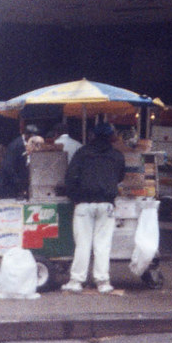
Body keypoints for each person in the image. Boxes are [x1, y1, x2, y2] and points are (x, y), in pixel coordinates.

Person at [61, 122, 125, 294]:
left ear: (93, 136)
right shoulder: (117, 155)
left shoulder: (82, 153)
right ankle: (103, 282)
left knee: (82, 244)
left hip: (84, 204)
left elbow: (70, 177)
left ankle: (76, 281)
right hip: (106, 205)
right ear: (111, 136)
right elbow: (120, 177)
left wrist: (75, 197)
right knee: (102, 245)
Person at [0, 123, 38, 199]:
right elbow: (8, 166)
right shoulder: (16, 145)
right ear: (27, 135)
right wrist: (19, 183)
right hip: (8, 187)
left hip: (18, 187)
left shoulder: (28, 144)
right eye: (33, 137)